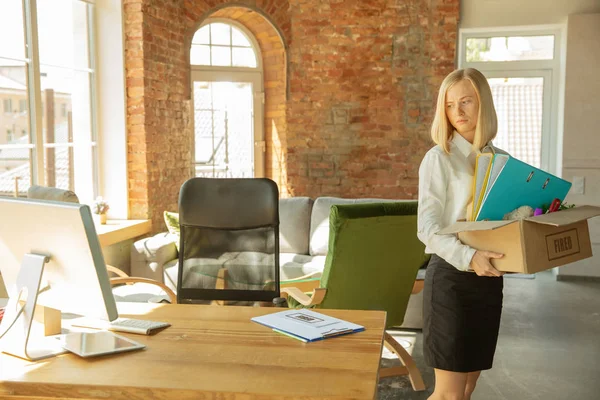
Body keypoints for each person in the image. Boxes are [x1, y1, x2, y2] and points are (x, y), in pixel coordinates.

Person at [417, 67, 508, 400]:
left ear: (483, 103)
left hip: (488, 281)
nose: (458, 112)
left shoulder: (501, 161)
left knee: (467, 389)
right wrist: (470, 257)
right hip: (452, 281)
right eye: (450, 104)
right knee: (449, 395)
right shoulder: (438, 159)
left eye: (466, 101)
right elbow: (426, 230)